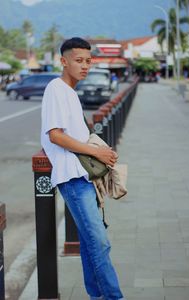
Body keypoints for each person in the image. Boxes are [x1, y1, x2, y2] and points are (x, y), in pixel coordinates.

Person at [41, 37, 126, 300]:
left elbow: (74, 135)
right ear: (63, 62)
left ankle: (98, 296)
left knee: (92, 245)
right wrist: (96, 151)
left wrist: (102, 152)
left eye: (89, 61)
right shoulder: (56, 88)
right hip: (73, 179)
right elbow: (55, 135)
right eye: (79, 60)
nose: (85, 66)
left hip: (83, 177)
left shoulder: (70, 92)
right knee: (99, 243)